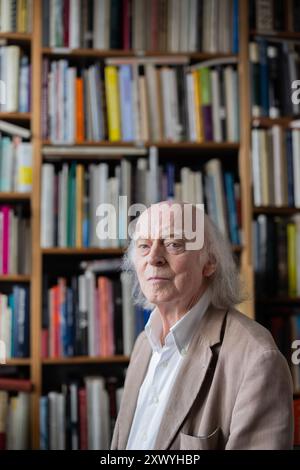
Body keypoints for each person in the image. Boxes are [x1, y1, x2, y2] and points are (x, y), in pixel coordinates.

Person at [111, 201, 293, 450]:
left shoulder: (258, 358)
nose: (153, 258)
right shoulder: (144, 344)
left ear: (210, 262)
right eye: (144, 246)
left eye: (174, 244)